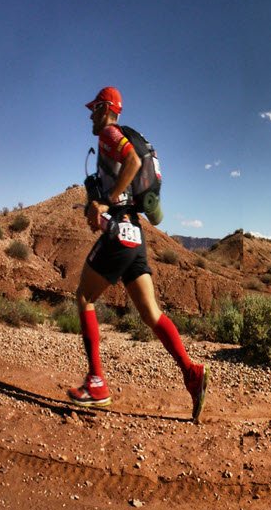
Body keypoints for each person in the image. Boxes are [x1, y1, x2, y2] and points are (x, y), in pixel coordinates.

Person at [68, 86, 209, 421]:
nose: (90, 115)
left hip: (120, 230)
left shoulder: (109, 133)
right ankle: (192, 373)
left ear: (105, 109)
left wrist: (106, 200)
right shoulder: (109, 137)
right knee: (152, 315)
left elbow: (131, 160)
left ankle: (97, 383)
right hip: (135, 235)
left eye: (93, 109)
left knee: (85, 297)